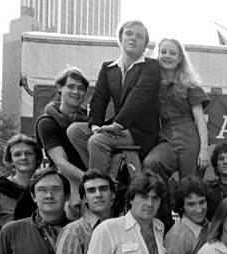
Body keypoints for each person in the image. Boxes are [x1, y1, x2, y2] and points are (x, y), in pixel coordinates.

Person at [67, 20, 160, 173]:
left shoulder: (151, 66)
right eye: (129, 34)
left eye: (139, 36)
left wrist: (116, 125)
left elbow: (138, 97)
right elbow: (99, 99)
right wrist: (96, 126)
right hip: (117, 128)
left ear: (144, 45)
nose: (133, 38)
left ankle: (99, 183)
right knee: (75, 131)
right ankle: (99, 174)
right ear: (120, 39)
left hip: (141, 132)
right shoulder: (108, 68)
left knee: (97, 141)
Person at [143, 38, 210, 186]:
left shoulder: (190, 84)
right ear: (158, 55)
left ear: (180, 59)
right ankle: (164, 205)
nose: (167, 56)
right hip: (166, 137)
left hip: (190, 139)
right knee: (152, 163)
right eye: (163, 52)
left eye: (173, 53)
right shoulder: (152, 84)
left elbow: (200, 119)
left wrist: (204, 149)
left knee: (190, 186)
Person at [36, 67, 90, 219]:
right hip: (67, 183)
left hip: (89, 184)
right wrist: (92, 180)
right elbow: (61, 163)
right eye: (71, 87)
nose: (76, 92)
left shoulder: (88, 120)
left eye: (80, 88)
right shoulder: (47, 122)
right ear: (60, 87)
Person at [164, 176, 209, 254]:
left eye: (202, 202)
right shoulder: (176, 237)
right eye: (191, 204)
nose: (199, 209)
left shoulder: (211, 227)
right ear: (181, 207)